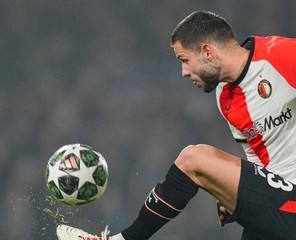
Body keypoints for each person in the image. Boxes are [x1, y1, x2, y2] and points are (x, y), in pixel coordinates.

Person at [57, 10, 296, 240]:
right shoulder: (225, 94)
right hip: (282, 203)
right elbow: (258, 155)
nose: (183, 72)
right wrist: (236, 192)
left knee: (194, 159)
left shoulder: (280, 56)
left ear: (207, 53)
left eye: (184, 60)